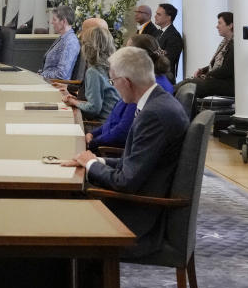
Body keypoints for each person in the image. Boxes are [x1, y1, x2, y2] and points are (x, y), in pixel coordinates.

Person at [71, 45, 190, 255]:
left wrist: (90, 165)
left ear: (126, 82)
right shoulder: (159, 102)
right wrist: (94, 161)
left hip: (138, 217)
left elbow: (126, 181)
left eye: (113, 81)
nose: (114, 86)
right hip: (141, 199)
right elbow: (137, 162)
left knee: (65, 207)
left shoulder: (153, 115)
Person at [57, 22, 118, 121]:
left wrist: (72, 101)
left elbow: (93, 109)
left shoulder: (94, 71)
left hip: (100, 125)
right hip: (113, 121)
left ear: (88, 47)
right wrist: (77, 101)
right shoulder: (112, 66)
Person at [189, 12, 234, 101]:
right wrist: (203, 70)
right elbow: (215, 65)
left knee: (190, 85)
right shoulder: (224, 43)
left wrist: (207, 75)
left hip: (226, 84)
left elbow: (226, 70)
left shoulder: (234, 45)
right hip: (216, 81)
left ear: (230, 25)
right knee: (189, 82)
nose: (217, 26)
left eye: (220, 23)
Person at [38, 5, 80, 81]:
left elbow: (62, 74)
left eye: (54, 19)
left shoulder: (70, 42)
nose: (51, 22)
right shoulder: (62, 38)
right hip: (48, 82)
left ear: (63, 22)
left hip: (56, 86)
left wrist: (41, 75)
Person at [153, 2, 183, 81]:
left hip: (164, 78)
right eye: (156, 14)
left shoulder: (174, 36)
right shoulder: (157, 32)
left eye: (159, 14)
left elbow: (167, 60)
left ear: (169, 17)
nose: (155, 16)